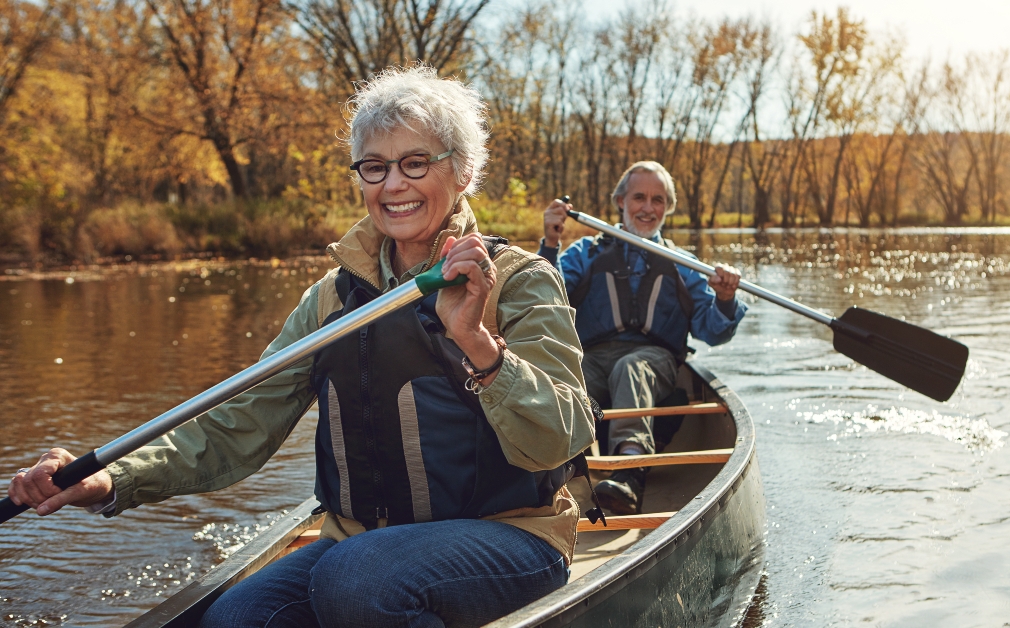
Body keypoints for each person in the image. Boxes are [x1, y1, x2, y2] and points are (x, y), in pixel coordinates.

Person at [7, 66, 595, 627]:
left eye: (416, 163)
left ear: (463, 172)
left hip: (511, 535)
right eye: (374, 166)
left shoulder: (519, 279)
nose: (393, 185)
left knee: (359, 583)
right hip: (359, 546)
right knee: (238, 618)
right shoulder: (330, 299)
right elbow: (237, 421)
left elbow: (563, 435)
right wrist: (112, 478)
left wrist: (476, 342)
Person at [538, 161, 746, 515]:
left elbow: (712, 330)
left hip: (655, 362)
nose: (648, 208)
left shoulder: (683, 264)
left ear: (668, 208)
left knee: (630, 368)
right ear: (620, 201)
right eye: (639, 197)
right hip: (593, 358)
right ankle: (555, 473)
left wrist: (726, 298)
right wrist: (551, 244)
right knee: (567, 373)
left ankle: (629, 472)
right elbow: (544, 301)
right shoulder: (585, 253)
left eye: (658, 200)